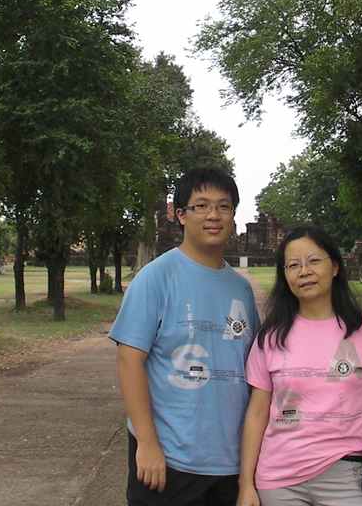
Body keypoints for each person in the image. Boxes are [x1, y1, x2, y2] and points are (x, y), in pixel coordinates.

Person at [110, 167, 260, 506]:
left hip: (230, 461)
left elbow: (254, 371)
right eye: (201, 206)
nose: (213, 215)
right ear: (181, 215)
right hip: (169, 460)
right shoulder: (155, 278)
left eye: (223, 206)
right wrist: (147, 443)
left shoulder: (241, 289)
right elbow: (129, 361)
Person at [238, 225, 362, 506]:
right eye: (293, 265)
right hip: (280, 480)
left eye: (314, 261)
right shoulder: (270, 336)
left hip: (350, 477)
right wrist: (246, 484)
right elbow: (257, 413)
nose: (304, 271)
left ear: (335, 267)